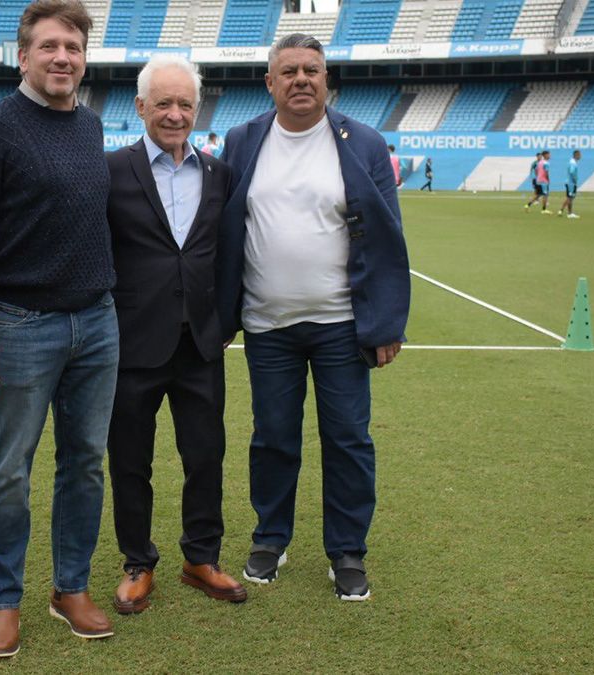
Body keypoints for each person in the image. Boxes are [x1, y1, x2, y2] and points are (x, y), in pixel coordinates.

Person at [0, 0, 119, 657]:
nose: (62, 58)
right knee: (9, 470)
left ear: (83, 59)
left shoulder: (92, 127)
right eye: (49, 46)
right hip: (16, 326)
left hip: (97, 324)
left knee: (86, 464)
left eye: (72, 48)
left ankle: (70, 587)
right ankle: (4, 600)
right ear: (23, 56)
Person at [216, 33, 410, 602]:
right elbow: (224, 229)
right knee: (273, 438)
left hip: (341, 325)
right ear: (270, 82)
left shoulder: (364, 143)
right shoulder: (243, 140)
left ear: (328, 80)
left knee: (348, 439)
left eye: (312, 70)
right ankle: (270, 540)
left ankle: (347, 551)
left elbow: (388, 239)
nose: (302, 79)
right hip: (267, 325)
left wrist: (388, 323)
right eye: (290, 71)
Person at [104, 54, 245, 616]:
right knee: (129, 460)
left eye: (185, 103)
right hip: (132, 342)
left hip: (201, 345)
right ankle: (138, 562)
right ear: (140, 107)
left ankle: (201, 558)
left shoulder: (219, 174)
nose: (175, 113)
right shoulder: (111, 170)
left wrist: (226, 323)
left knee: (206, 454)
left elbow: (229, 256)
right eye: (163, 103)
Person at [557, 149, 581, 219]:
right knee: (570, 198)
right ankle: (562, 211)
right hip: (571, 183)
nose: (580, 156)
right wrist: (574, 180)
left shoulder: (572, 162)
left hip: (570, 182)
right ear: (576, 155)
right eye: (579, 155)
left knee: (571, 197)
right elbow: (572, 172)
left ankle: (568, 212)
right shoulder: (573, 163)